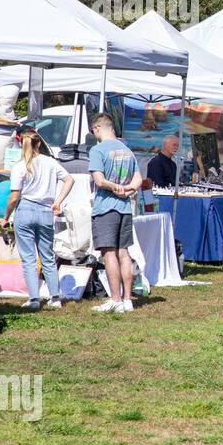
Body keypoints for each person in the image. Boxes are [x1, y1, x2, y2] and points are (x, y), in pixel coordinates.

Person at [6, 129, 74, 311]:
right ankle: (55, 296)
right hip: (45, 210)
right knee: (47, 256)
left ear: (22, 144)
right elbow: (69, 180)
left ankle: (34, 298)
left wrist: (5, 217)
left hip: (25, 210)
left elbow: (13, 197)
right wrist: (58, 201)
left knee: (28, 258)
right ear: (39, 145)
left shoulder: (19, 166)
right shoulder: (50, 162)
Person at [88, 114, 142, 314]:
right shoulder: (127, 150)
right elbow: (138, 179)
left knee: (109, 253)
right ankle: (128, 299)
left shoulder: (97, 150)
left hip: (106, 207)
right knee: (124, 253)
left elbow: (99, 181)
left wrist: (115, 187)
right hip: (125, 208)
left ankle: (116, 299)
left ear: (96, 128)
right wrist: (127, 189)